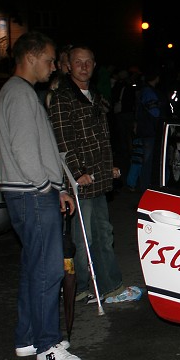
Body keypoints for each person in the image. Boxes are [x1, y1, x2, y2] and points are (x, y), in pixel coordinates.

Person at [0, 31, 82, 360]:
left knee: (34, 267)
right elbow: (25, 149)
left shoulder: (17, 92)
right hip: (31, 193)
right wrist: (47, 186)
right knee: (49, 269)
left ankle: (27, 338)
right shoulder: (20, 93)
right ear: (31, 57)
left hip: (26, 191)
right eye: (49, 60)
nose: (54, 66)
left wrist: (54, 186)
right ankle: (48, 346)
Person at [50, 44, 139, 306]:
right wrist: (78, 173)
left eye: (88, 61)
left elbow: (102, 138)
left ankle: (107, 287)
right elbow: (63, 141)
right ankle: (79, 288)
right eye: (78, 62)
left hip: (98, 178)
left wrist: (109, 166)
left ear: (95, 65)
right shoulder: (63, 98)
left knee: (102, 234)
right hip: (80, 182)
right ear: (69, 65)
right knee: (84, 239)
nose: (83, 66)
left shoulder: (95, 97)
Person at [126, 70, 164, 191]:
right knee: (147, 161)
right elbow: (154, 111)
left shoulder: (143, 90)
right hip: (149, 130)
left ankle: (142, 185)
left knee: (142, 159)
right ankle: (146, 188)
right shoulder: (149, 92)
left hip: (144, 129)